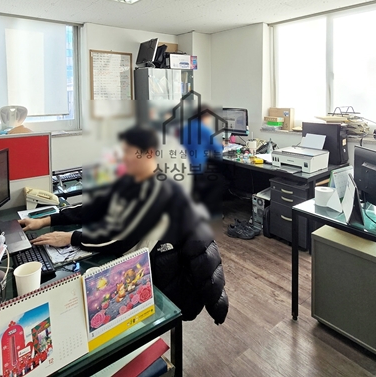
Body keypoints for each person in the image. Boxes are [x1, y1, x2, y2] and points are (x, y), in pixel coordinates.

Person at [19, 126, 229, 324]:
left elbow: (121, 239)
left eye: (128, 152)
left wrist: (71, 237)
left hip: (160, 280)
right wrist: (46, 220)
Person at [180, 104, 224, 213]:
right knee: (220, 181)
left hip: (184, 166)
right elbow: (217, 150)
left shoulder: (187, 126)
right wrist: (222, 145)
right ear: (205, 116)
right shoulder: (204, 129)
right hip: (197, 168)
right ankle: (208, 210)